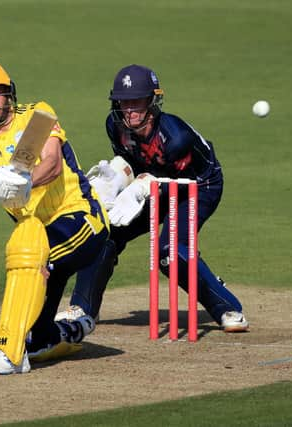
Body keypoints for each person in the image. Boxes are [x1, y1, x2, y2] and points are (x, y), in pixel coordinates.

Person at [56, 64, 249, 333]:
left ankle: (226, 306)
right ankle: (83, 309)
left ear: (152, 101)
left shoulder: (175, 137)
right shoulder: (114, 125)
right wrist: (115, 178)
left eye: (137, 102)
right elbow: (132, 160)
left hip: (198, 185)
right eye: (124, 103)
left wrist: (143, 186)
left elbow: (177, 183)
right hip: (151, 181)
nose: (130, 110)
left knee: (169, 253)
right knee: (103, 233)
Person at [0, 61, 109, 374]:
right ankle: (70, 330)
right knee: (40, 342)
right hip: (41, 235)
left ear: (8, 93)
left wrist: (27, 181)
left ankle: (9, 353)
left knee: (25, 253)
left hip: (82, 220)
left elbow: (53, 162)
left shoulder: (37, 115)